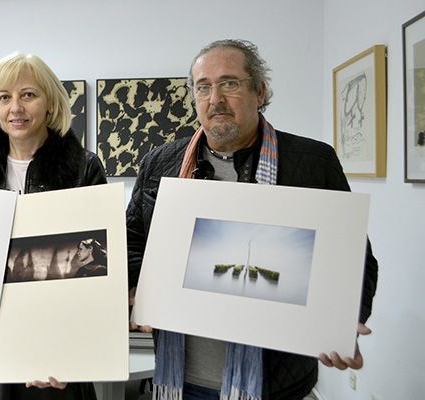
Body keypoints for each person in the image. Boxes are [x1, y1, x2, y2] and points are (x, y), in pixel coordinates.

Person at [126, 39, 379, 400]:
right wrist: (139, 290)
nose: (215, 99)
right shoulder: (160, 163)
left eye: (229, 83)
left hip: (276, 383)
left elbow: (354, 257)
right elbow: (131, 240)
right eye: (204, 87)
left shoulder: (311, 161)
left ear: (259, 91)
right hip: (181, 379)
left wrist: (343, 322)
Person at [0, 52, 106, 400]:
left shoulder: (84, 168)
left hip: (56, 350)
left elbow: (98, 267)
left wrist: (74, 354)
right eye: (4, 97)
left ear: (50, 103)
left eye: (28, 95)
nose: (16, 107)